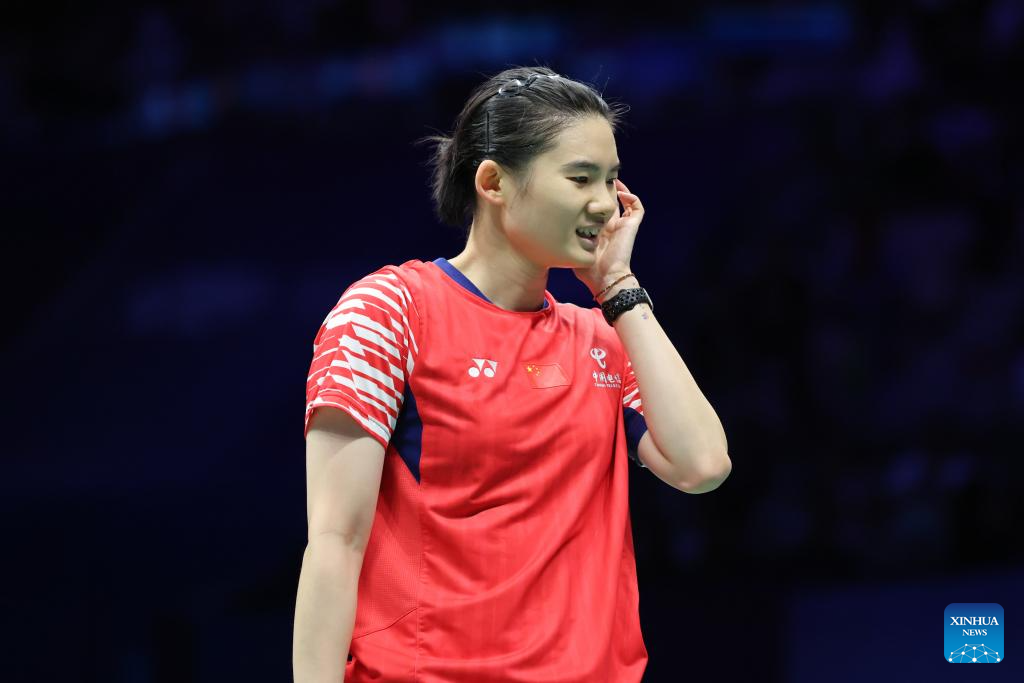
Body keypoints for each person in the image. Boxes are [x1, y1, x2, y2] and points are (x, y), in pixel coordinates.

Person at [293, 65, 731, 683]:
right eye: (580, 178)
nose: (606, 203)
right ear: (494, 182)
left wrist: (619, 288)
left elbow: (702, 465)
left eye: (611, 179)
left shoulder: (602, 338)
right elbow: (335, 543)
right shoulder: (391, 312)